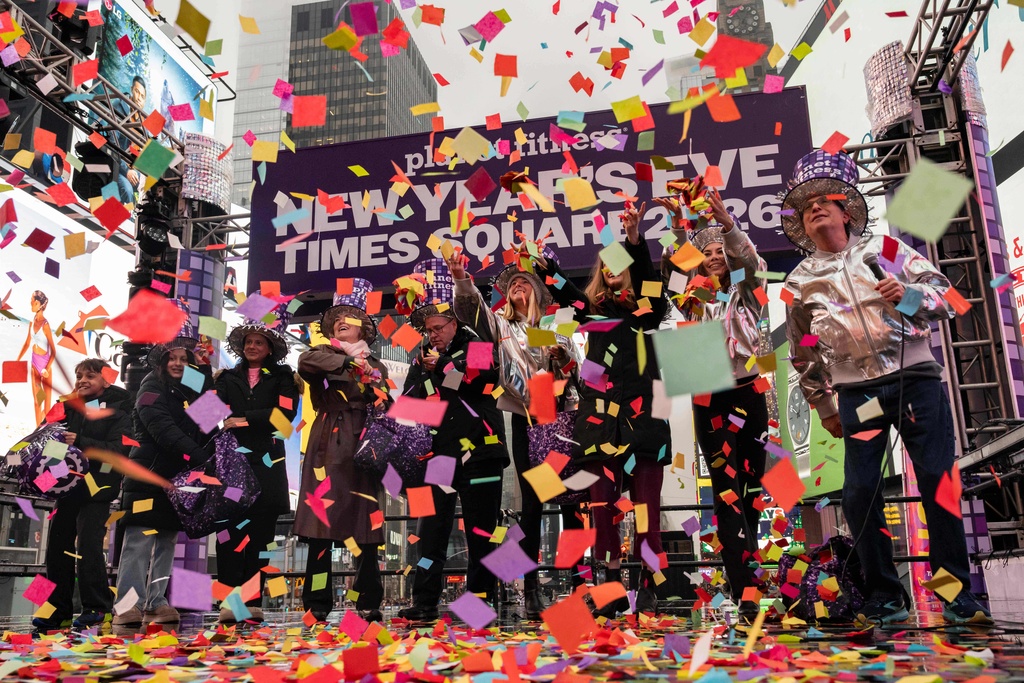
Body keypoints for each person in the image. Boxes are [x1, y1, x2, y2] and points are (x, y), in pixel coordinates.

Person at [782, 150, 993, 626]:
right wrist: (822, 404)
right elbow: (803, 350)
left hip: (916, 381)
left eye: (824, 201)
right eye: (806, 205)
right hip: (857, 394)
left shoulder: (887, 248)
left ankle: (955, 594)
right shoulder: (797, 283)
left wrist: (912, 295)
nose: (814, 208)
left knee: (939, 481)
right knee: (858, 494)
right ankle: (885, 594)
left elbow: (954, 299)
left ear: (847, 210)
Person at [532, 204, 671, 618]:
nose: (612, 268)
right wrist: (543, 267)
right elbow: (567, 294)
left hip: (646, 421)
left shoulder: (649, 312)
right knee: (603, 512)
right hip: (598, 427)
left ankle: (648, 585)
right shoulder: (591, 316)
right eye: (606, 264)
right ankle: (608, 587)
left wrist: (634, 240)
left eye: (620, 262)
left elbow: (651, 284)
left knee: (646, 508)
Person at [449, 248, 585, 619]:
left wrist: (561, 356)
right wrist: (462, 278)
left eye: (525, 282)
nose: (517, 287)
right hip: (527, 417)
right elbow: (471, 313)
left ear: (540, 293)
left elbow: (577, 366)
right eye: (511, 286)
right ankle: (530, 588)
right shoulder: (502, 327)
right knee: (532, 507)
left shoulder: (558, 323)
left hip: (563, 415)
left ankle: (579, 584)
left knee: (573, 506)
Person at [658, 186, 770, 622]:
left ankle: (752, 575)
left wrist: (728, 226)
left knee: (752, 491)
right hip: (709, 399)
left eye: (722, 250)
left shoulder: (746, 291)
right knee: (726, 495)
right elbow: (672, 274)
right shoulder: (690, 300)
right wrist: (676, 225)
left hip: (749, 392)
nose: (715, 255)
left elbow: (755, 267)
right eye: (707, 252)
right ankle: (744, 592)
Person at [393, 259, 510, 622]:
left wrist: (442, 367)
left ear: (454, 322)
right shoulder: (421, 358)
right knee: (431, 531)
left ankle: (479, 602)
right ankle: (424, 600)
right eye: (427, 330)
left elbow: (483, 383)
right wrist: (425, 372)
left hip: (481, 450)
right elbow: (411, 405)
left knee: (482, 530)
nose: (432, 335)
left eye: (437, 327)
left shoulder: (477, 342)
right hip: (438, 454)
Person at [294, 280, 390, 624]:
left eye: (351, 316)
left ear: (364, 327)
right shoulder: (323, 354)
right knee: (322, 526)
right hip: (329, 443)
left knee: (366, 526)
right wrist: (351, 366)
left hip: (365, 443)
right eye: (338, 319)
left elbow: (384, 398)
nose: (343, 321)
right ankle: (317, 602)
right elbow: (308, 362)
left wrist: (372, 380)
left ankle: (367, 599)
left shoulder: (377, 362)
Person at [114, 310, 213, 631]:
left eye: (184, 358)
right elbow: (164, 431)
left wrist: (206, 369)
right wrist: (201, 457)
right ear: (161, 360)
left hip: (175, 481)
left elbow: (211, 412)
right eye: (172, 357)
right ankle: (128, 605)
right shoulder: (150, 387)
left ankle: (156, 602)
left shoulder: (187, 389)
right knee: (139, 542)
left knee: (167, 542)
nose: (178, 363)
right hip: (146, 477)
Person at [32, 359, 131, 634]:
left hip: (97, 489)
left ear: (106, 379)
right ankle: (56, 611)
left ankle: (97, 609)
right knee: (54, 550)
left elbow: (120, 450)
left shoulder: (120, 409)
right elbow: (45, 438)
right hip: (65, 488)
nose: (83, 380)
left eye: (90, 375)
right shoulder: (66, 406)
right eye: (79, 375)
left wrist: (82, 443)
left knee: (88, 547)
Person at [214, 322, 298, 624]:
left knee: (261, 538)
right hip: (231, 464)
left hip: (267, 465)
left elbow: (285, 417)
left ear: (270, 348)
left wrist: (242, 420)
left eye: (258, 343)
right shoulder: (225, 377)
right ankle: (229, 601)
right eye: (248, 342)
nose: (252, 347)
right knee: (229, 535)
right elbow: (210, 412)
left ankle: (253, 600)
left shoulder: (284, 376)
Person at [17, 290, 57, 425]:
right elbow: (27, 343)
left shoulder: (46, 325)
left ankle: (44, 430)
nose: (30, 303)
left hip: (46, 366)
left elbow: (54, 351)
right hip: (34, 362)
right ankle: (37, 429)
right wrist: (17, 360)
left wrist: (47, 368)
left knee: (46, 404)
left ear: (39, 303)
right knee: (36, 402)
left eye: (32, 300)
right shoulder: (31, 322)